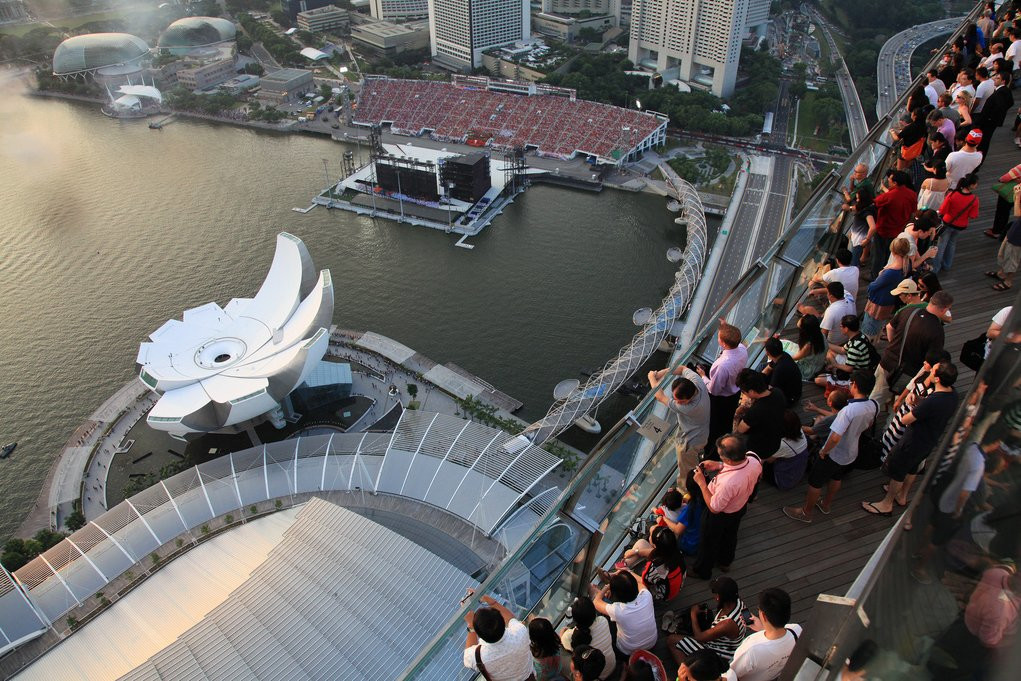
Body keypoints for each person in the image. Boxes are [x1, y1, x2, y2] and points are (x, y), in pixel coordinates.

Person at [863, 362, 959, 517]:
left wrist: (910, 403)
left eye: (933, 371)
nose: (930, 371)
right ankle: (901, 495)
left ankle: (887, 504)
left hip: (913, 441)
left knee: (898, 471)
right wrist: (919, 403)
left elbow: (905, 420)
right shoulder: (952, 395)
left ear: (937, 378)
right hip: (929, 440)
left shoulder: (933, 400)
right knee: (913, 468)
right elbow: (930, 410)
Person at [783, 370, 878, 523]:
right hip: (851, 451)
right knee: (836, 477)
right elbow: (870, 423)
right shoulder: (874, 404)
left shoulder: (848, 411)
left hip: (833, 453)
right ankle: (826, 504)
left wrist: (824, 451)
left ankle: (806, 513)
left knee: (815, 482)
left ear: (855, 385)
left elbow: (835, 437)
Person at [691, 435, 762, 579]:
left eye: (721, 456)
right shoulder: (754, 459)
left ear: (729, 459)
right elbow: (745, 469)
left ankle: (702, 571)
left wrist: (702, 483)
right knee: (730, 535)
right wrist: (719, 465)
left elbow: (714, 507)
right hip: (739, 508)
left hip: (720, 516)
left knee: (708, 542)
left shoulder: (729, 483)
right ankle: (725, 562)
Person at [871, 290, 952, 408]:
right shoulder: (937, 330)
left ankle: (865, 420)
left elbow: (890, 327)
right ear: (944, 309)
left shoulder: (908, 310)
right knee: (899, 403)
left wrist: (893, 344)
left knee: (875, 399)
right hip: (908, 372)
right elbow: (931, 360)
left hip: (887, 362)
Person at [649, 365, 711, 489]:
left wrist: (652, 377)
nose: (676, 402)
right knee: (687, 461)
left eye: (680, 401)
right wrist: (661, 373)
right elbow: (682, 368)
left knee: (687, 470)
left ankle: (686, 489)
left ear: (689, 398)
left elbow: (659, 396)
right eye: (675, 398)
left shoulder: (689, 407)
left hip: (691, 441)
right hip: (699, 431)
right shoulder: (696, 381)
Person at [724, 588, 802, 681]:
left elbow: (732, 674)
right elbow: (778, 640)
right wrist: (763, 628)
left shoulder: (751, 648)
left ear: (763, 615)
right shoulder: (796, 630)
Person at [668, 576, 748, 667]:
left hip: (719, 655)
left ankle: (687, 673)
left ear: (718, 597)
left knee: (672, 640)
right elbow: (749, 621)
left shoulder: (727, 623)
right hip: (733, 646)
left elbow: (699, 638)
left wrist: (693, 614)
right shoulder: (740, 603)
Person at [699, 321, 748, 457]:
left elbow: (714, 390)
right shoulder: (742, 349)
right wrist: (726, 327)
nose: (718, 339)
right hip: (734, 392)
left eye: (719, 337)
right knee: (726, 421)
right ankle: (725, 440)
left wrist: (703, 376)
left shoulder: (722, 365)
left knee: (715, 426)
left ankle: (712, 453)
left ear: (724, 344)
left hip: (721, 399)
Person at [464, 593, 534, 681]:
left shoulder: (478, 656)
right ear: (502, 620)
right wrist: (489, 600)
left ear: (479, 635)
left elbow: (467, 654)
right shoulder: (520, 633)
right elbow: (510, 618)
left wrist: (471, 625)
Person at [589, 570, 657, 655]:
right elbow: (639, 582)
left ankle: (592, 588)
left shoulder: (618, 611)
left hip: (628, 651)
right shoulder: (647, 595)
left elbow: (596, 602)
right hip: (651, 643)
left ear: (616, 596)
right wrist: (625, 572)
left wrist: (607, 587)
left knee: (599, 598)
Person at [862, 238, 912, 339]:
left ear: (893, 251)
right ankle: (875, 338)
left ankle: (867, 342)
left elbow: (873, 286)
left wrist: (881, 275)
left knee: (870, 327)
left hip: (879, 302)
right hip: (890, 299)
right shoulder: (907, 263)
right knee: (878, 324)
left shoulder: (890, 273)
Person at [870, 171, 917, 279]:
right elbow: (913, 210)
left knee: (878, 255)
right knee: (890, 254)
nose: (888, 182)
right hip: (899, 229)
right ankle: (886, 272)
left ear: (895, 183)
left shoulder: (890, 196)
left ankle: (875, 276)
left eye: (890, 180)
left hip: (884, 229)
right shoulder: (911, 194)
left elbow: (876, 202)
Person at [559, 597, 616, 681]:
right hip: (612, 666)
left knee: (561, 651)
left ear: (575, 619)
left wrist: (563, 632)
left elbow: (563, 640)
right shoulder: (603, 621)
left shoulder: (570, 636)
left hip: (597, 676)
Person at [733, 370, 787, 460]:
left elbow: (740, 430)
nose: (743, 394)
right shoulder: (778, 393)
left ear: (751, 391)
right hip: (776, 440)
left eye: (743, 392)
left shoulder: (755, 411)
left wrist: (737, 414)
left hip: (759, 450)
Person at [934, 171, 980, 273]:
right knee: (952, 244)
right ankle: (947, 265)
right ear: (971, 185)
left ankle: (935, 268)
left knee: (941, 245)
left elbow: (942, 210)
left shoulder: (952, 195)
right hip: (960, 225)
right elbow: (973, 215)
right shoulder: (974, 199)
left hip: (947, 222)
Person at [760, 410, 809, 491]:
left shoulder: (783, 444)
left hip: (784, 478)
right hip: (797, 468)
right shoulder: (797, 430)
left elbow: (769, 460)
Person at [988, 183, 1021, 291]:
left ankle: (1008, 282)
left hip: (1018, 237)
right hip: (1015, 230)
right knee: (1003, 253)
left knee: (1012, 260)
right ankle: (1001, 273)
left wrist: (1018, 196)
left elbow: (1018, 214)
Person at [784, 315, 826, 383]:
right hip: (819, 364)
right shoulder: (821, 335)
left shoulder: (808, 345)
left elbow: (795, 357)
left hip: (809, 370)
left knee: (785, 365)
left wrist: (782, 355)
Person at [761, 337, 801, 405]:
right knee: (762, 370)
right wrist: (758, 378)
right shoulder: (783, 355)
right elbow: (768, 368)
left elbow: (770, 390)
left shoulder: (779, 369)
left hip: (790, 399)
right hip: (795, 391)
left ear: (767, 353)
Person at [847, 187, 876, 270]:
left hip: (858, 241)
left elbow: (873, 227)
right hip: (857, 238)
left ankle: (853, 277)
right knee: (854, 260)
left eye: (858, 198)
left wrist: (867, 239)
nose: (857, 200)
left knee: (854, 262)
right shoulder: (869, 207)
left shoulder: (867, 212)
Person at [819, 281, 857, 347]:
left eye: (827, 293)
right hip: (848, 337)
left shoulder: (831, 311)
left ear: (831, 295)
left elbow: (824, 333)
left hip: (834, 342)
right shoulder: (849, 296)